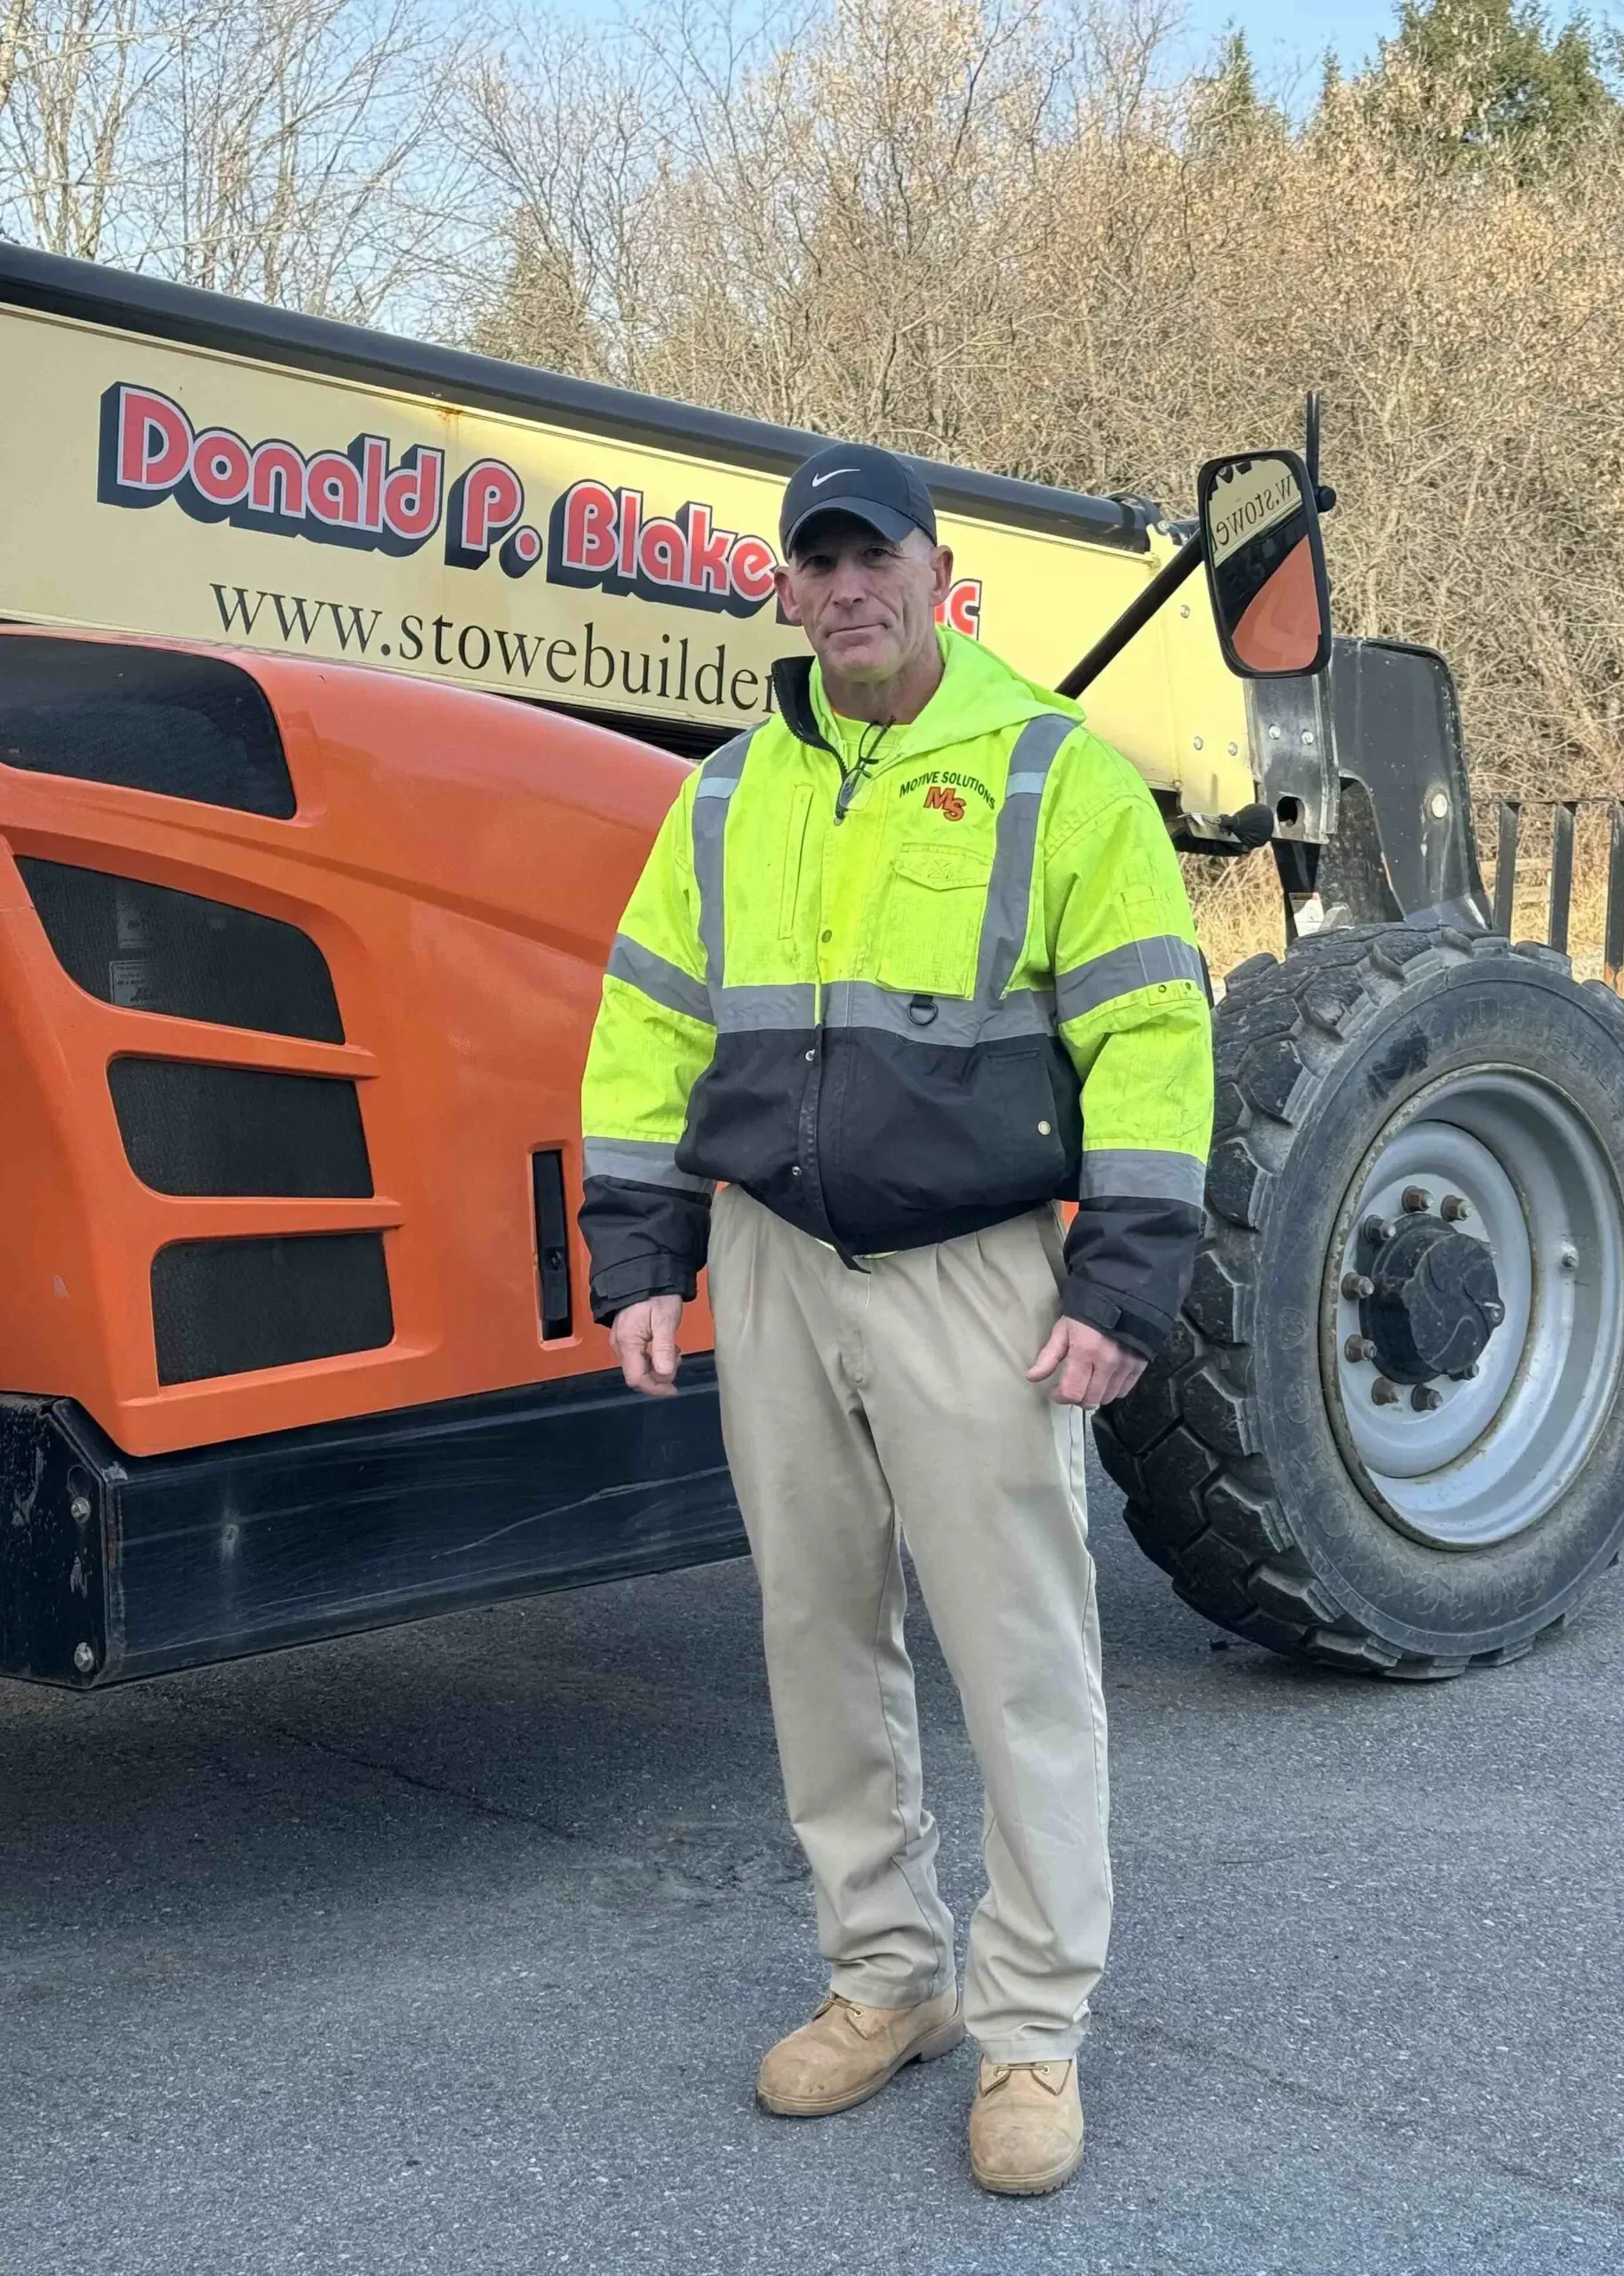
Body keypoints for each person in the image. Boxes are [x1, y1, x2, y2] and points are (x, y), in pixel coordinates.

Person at [579, 442, 1213, 2196]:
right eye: (818, 561)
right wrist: (638, 1252)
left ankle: (1030, 2030)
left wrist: (1124, 1268)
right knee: (816, 1631)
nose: (848, 587)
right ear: (782, 589)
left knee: (1018, 1655)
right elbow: (646, 1023)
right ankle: (886, 1978)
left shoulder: (1053, 779)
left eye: (877, 557)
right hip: (775, 1260)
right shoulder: (724, 796)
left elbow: (1154, 1034)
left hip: (975, 1274)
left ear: (940, 575)